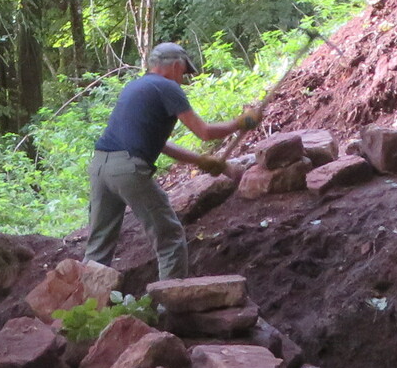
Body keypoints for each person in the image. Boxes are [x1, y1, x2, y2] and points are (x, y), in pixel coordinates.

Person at [84, 42, 263, 281]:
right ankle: (169, 301)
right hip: (127, 170)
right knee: (170, 238)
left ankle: (82, 301)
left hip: (100, 166)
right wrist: (240, 123)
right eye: (184, 72)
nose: (183, 79)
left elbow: (161, 144)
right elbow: (204, 132)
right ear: (177, 66)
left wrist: (201, 161)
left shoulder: (134, 87)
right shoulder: (167, 87)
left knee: (98, 247)